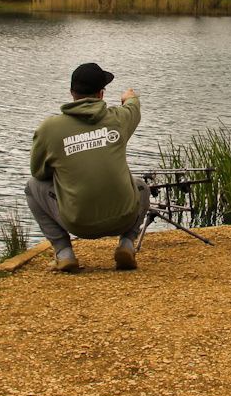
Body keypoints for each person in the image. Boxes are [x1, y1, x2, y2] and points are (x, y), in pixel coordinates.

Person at [25, 62, 150, 272]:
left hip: (77, 223)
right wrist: (130, 96)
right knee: (141, 187)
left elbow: (39, 173)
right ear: (101, 94)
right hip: (123, 217)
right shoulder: (117, 119)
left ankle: (64, 254)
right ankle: (127, 245)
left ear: (72, 92)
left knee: (32, 187)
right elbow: (133, 107)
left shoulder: (49, 128)